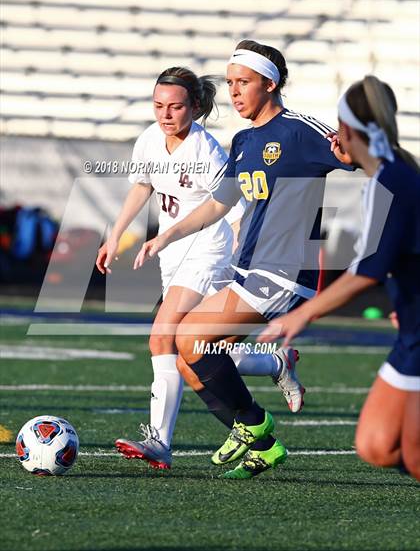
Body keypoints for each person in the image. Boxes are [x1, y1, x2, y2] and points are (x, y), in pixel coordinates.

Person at [135, 40, 352, 479]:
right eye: (231, 82)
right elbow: (220, 202)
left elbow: (356, 155)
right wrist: (167, 235)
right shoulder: (245, 139)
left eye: (244, 83)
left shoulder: (299, 130)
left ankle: (252, 423)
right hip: (247, 268)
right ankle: (265, 445)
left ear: (270, 84)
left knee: (190, 337)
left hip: (286, 272)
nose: (234, 92)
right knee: (190, 361)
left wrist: (353, 150)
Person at [96, 66, 302, 471]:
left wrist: (246, 256)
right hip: (172, 256)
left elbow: (234, 207)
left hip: (208, 252)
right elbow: (142, 186)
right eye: (158, 106)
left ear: (195, 106)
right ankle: (275, 363)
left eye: (175, 107)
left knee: (163, 338)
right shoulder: (150, 140)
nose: (165, 115)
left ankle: (159, 442)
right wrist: (114, 235)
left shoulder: (206, 150)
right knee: (200, 353)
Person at [257, 76, 420, 481]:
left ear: (347, 129)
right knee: (376, 446)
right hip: (412, 330)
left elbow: (367, 272)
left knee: (414, 455)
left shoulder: (393, 180)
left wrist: (302, 315)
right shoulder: (385, 177)